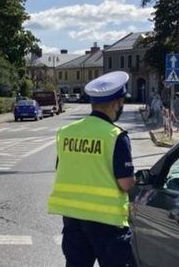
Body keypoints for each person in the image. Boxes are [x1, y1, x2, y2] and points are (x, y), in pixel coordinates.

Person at [48, 71, 135, 267]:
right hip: (108, 222)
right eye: (121, 103)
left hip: (73, 219)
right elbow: (125, 183)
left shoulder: (66, 132)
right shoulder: (115, 136)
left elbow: (62, 168)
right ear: (114, 104)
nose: (121, 108)